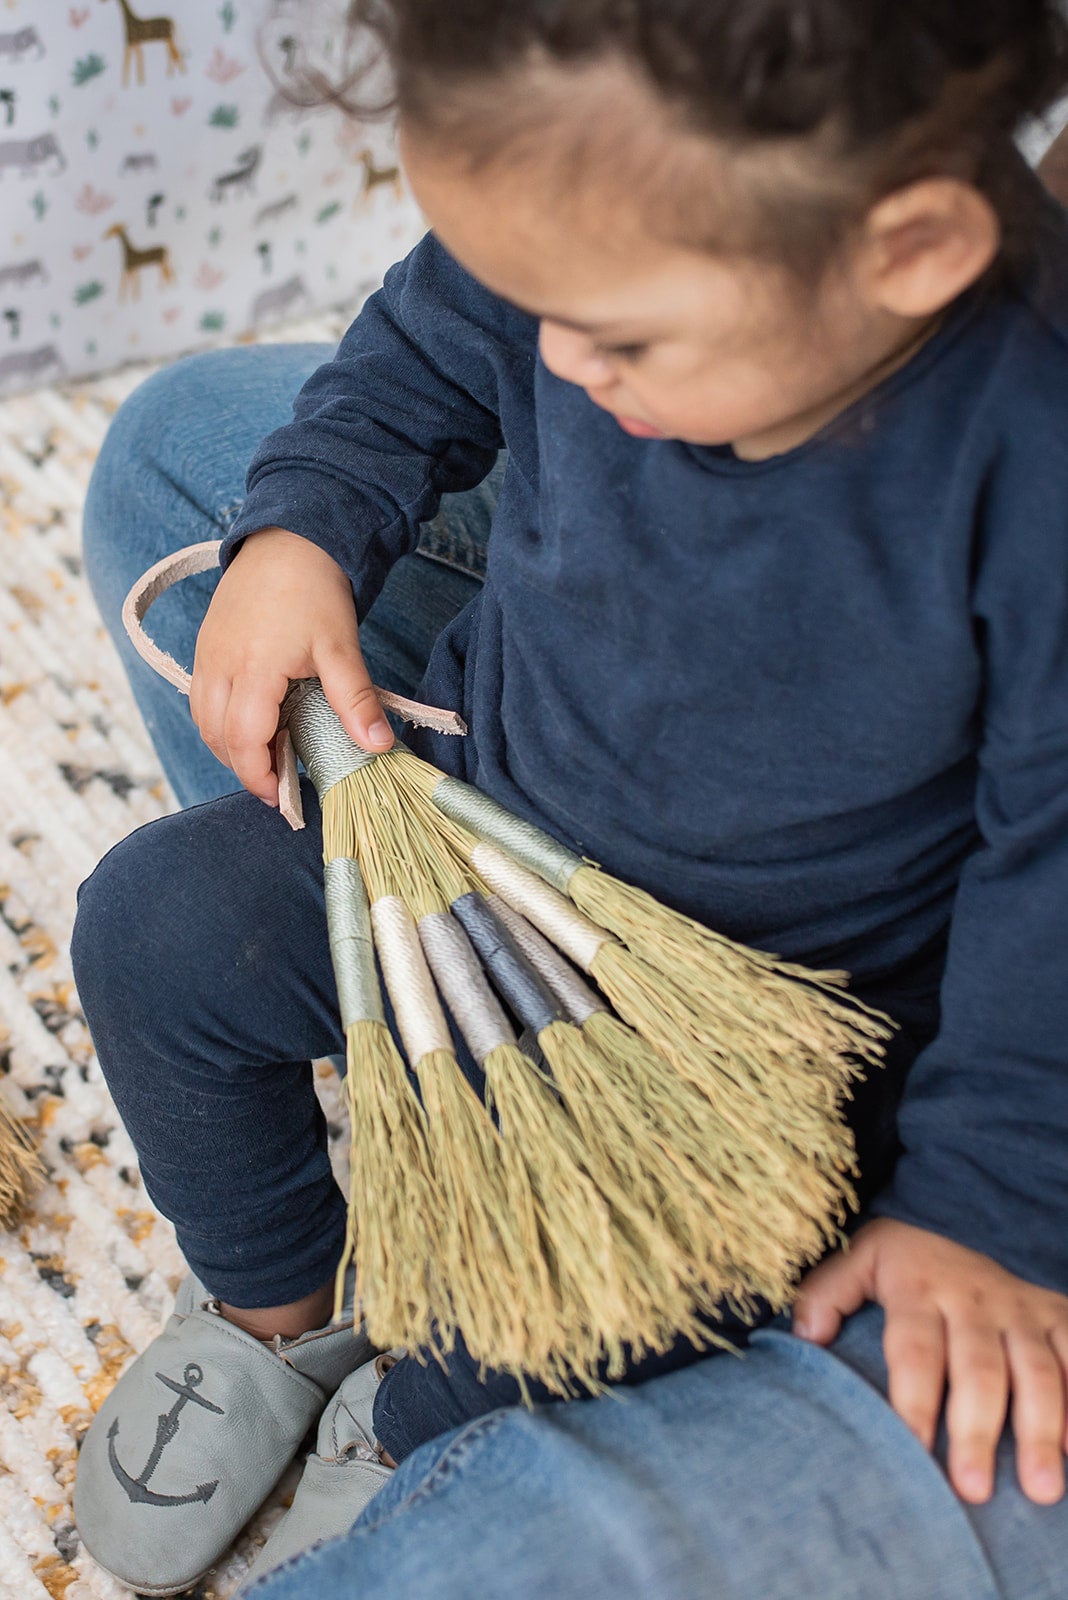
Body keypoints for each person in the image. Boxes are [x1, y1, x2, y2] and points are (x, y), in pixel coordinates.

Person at [68, 1, 1068, 1594]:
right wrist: (303, 529)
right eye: (531, 300)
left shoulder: (1031, 468)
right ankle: (280, 1306)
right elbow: (421, 346)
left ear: (914, 248)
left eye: (616, 338)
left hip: (738, 1033)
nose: (555, 361)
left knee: (570, 1313)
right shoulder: (598, 257)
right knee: (153, 929)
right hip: (483, 827)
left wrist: (988, 1206)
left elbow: (1052, 870)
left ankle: (419, 1436)